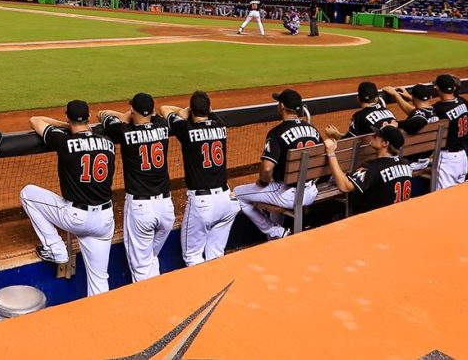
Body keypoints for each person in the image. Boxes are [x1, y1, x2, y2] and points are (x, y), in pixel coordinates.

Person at [19, 100, 115, 297]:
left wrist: (65, 126)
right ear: (89, 118)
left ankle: (56, 250)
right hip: (105, 220)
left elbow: (35, 120)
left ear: (68, 117)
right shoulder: (108, 142)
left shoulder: (64, 141)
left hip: (75, 217)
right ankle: (103, 322)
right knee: (99, 280)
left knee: (27, 194)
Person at [99, 93, 174, 282]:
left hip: (141, 210)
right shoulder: (163, 126)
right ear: (153, 111)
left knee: (141, 269)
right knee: (150, 259)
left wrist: (127, 115)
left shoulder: (123, 131)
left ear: (133, 109)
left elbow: (102, 114)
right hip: (166, 208)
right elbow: (157, 115)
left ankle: (149, 308)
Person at [161, 91, 238, 266]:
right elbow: (209, 113)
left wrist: (185, 111)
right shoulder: (220, 124)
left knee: (192, 257)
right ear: (209, 108)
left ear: (192, 110)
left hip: (202, 205)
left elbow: (164, 109)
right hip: (226, 200)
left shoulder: (186, 130)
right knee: (216, 254)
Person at [233, 89, 321, 240]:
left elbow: (267, 168)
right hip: (311, 191)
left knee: (238, 194)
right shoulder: (313, 129)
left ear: (281, 106)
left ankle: (276, 231)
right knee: (274, 189)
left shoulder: (276, 132)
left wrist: (262, 181)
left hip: (290, 195)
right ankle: (274, 241)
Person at [324, 125, 414, 214]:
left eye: (377, 135)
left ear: (385, 143)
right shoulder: (405, 164)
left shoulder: (373, 167)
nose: (373, 136)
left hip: (374, 220)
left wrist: (331, 152)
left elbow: (345, 186)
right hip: (398, 214)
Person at [431, 74, 468, 189]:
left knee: (442, 198)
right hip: (462, 157)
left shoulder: (439, 109)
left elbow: (422, 113)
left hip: (447, 160)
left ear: (437, 88)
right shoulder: (463, 102)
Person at [324, 82, 395, 140]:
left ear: (358, 98)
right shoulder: (388, 112)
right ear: (376, 98)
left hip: (373, 154)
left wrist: (334, 134)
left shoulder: (359, 116)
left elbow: (348, 141)